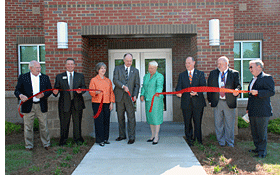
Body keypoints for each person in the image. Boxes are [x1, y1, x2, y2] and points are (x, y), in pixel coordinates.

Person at [14, 60, 52, 151]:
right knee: (28, 127)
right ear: (31, 68)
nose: (39, 69)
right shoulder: (23, 77)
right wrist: (20, 95)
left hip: (41, 105)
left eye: (40, 67)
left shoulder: (45, 77)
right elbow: (17, 90)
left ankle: (46, 143)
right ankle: (29, 145)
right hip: (28, 106)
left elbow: (49, 90)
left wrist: (43, 95)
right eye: (37, 67)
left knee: (44, 126)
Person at [207, 56, 241, 147]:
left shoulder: (234, 73)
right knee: (218, 123)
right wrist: (210, 100)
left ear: (226, 64)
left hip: (229, 102)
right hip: (217, 102)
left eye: (220, 64)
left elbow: (238, 85)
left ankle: (230, 143)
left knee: (230, 124)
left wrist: (237, 91)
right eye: (218, 63)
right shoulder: (213, 73)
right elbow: (209, 88)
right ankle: (221, 142)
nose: (218, 65)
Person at [53, 58, 86, 146]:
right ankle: (63, 141)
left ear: (74, 65)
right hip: (64, 104)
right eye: (68, 64)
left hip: (77, 104)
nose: (70, 66)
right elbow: (56, 89)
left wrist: (81, 90)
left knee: (77, 123)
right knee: (64, 123)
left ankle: (78, 140)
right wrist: (55, 92)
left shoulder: (80, 76)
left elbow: (84, 87)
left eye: (72, 64)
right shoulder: (59, 76)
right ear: (65, 65)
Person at [247, 59, 275, 158]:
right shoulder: (253, 79)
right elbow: (250, 96)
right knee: (254, 131)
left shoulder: (267, 78)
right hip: (253, 110)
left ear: (259, 67)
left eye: (251, 67)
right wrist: (248, 108)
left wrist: (258, 92)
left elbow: (271, 92)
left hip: (262, 111)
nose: (250, 69)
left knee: (261, 132)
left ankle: (262, 152)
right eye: (249, 67)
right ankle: (257, 148)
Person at [175, 57, 206, 146]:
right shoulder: (182, 75)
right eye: (186, 63)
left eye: (189, 63)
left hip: (198, 103)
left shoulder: (200, 74)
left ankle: (198, 140)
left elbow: (203, 86)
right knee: (187, 123)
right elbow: (178, 87)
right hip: (186, 103)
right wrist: (178, 92)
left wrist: (197, 92)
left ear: (193, 63)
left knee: (197, 122)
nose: (187, 65)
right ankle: (189, 140)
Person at [113, 53, 140, 144]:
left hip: (130, 97)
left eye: (131, 61)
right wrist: (123, 86)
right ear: (124, 60)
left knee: (131, 118)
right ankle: (122, 135)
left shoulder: (135, 71)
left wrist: (135, 95)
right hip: (119, 96)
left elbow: (137, 84)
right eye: (127, 61)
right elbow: (115, 80)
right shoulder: (117, 69)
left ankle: (132, 137)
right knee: (120, 117)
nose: (129, 62)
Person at [89, 62, 115, 147]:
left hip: (107, 103)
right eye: (101, 68)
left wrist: (111, 102)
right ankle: (99, 139)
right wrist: (95, 92)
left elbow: (111, 92)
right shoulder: (94, 80)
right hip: (97, 103)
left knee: (106, 121)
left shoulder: (108, 80)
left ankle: (105, 138)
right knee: (99, 121)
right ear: (98, 70)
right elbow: (91, 91)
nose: (103, 70)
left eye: (104, 68)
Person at [140, 61, 164, 145]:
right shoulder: (146, 76)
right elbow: (143, 86)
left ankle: (156, 136)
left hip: (156, 100)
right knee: (150, 118)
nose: (150, 70)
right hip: (148, 100)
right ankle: (152, 135)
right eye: (149, 68)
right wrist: (142, 94)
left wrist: (158, 92)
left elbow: (159, 86)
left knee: (156, 118)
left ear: (156, 68)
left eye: (152, 68)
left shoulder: (159, 76)